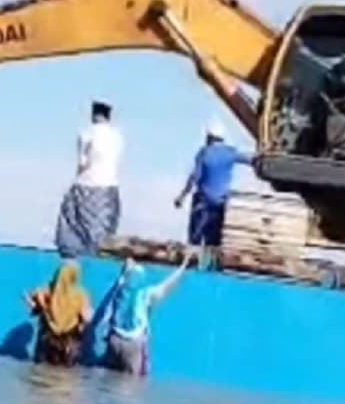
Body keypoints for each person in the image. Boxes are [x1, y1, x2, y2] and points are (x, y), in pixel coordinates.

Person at [174, 121, 255, 262]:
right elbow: (250, 159)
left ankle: (193, 265)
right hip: (220, 204)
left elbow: (195, 177)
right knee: (214, 243)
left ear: (209, 137)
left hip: (203, 202)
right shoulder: (230, 152)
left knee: (195, 241)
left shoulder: (205, 152)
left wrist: (182, 196)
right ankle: (211, 269)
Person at [104, 252, 195, 376]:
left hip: (114, 340)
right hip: (134, 344)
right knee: (132, 385)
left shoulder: (121, 288)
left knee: (110, 378)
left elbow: (126, 272)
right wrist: (183, 267)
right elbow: (168, 284)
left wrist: (128, 265)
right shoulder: (146, 294)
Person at [54, 100, 124, 258]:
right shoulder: (117, 136)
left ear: (95, 115)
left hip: (87, 183)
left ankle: (72, 257)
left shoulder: (87, 133)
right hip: (110, 186)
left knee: (72, 222)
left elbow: (82, 163)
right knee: (102, 229)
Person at [25, 260, 93, 367]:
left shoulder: (45, 291)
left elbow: (34, 306)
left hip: (46, 341)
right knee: (65, 379)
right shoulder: (80, 295)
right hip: (69, 344)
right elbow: (87, 318)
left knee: (41, 375)